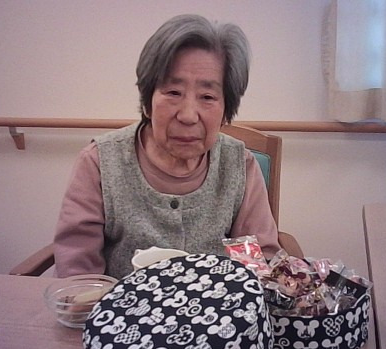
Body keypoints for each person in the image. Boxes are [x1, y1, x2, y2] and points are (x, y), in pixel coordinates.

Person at [54, 14, 280, 279]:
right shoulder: (99, 163)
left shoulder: (239, 164)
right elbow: (77, 273)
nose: (188, 115)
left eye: (207, 96)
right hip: (120, 305)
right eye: (173, 92)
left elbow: (259, 264)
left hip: (218, 304)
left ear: (225, 111)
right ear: (147, 102)